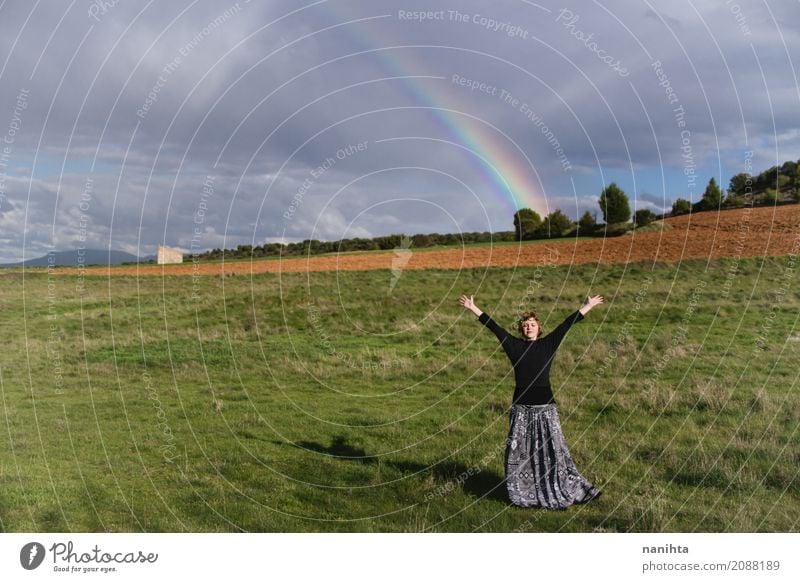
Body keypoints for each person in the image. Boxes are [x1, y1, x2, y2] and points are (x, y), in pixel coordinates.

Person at [458, 294, 604, 509]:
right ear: (521, 330)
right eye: (525, 325)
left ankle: (559, 485)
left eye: (532, 324)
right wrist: (473, 308)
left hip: (546, 408)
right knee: (520, 453)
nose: (529, 328)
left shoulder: (548, 344)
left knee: (554, 451)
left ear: (539, 327)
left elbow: (567, 325)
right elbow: (494, 327)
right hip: (521, 409)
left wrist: (587, 306)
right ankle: (525, 490)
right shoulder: (513, 346)